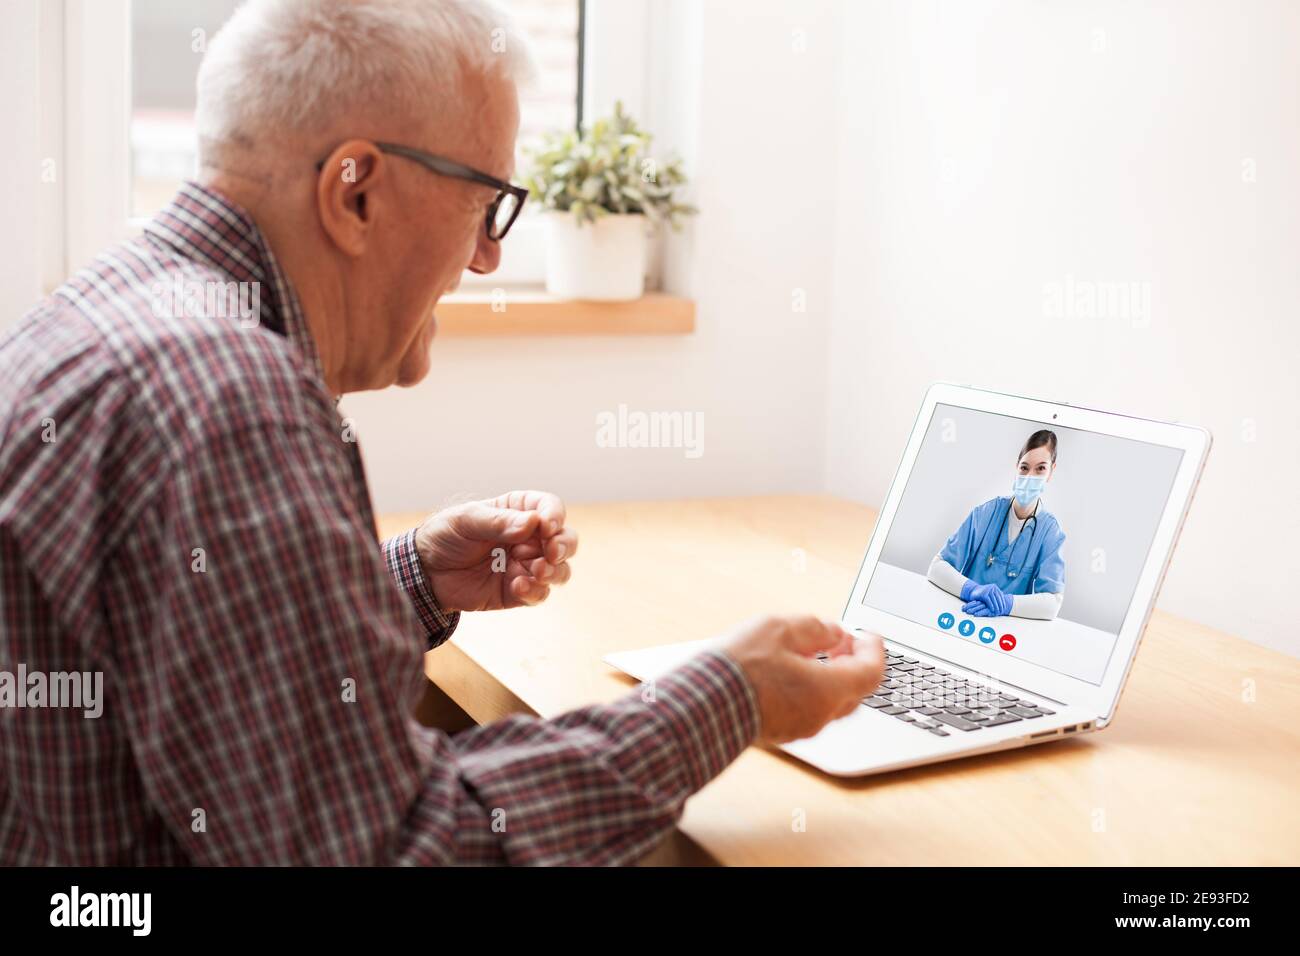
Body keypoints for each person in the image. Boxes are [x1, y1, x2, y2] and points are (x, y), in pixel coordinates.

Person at [0, 0, 885, 865]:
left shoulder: (117, 314)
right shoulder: (233, 403)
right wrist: (726, 698)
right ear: (355, 193)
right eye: (486, 202)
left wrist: (410, 579)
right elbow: (398, 846)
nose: (488, 258)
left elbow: (206, 673)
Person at [926, 430, 1066, 620]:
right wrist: (972, 590)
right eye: (1024, 468)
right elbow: (936, 568)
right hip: (960, 614)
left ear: (1051, 471)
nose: (1030, 476)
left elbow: (1052, 603)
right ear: (1016, 468)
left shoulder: (1050, 532)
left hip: (1006, 629)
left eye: (1040, 468)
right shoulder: (986, 513)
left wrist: (1007, 604)